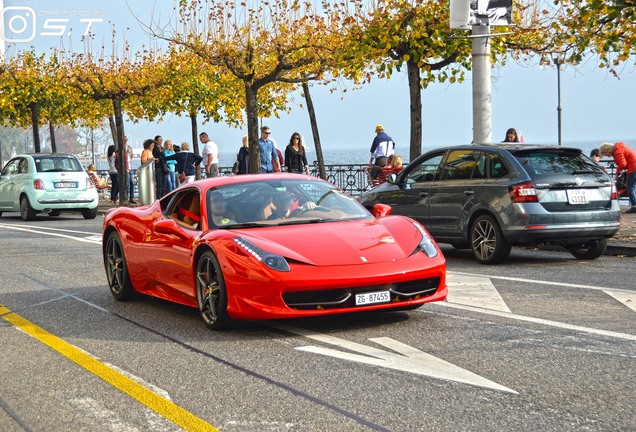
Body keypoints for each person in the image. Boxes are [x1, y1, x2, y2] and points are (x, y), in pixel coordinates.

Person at [600, 141, 636, 213]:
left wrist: (617, 171)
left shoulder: (617, 153)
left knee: (629, 187)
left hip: (633, 167)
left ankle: (634, 206)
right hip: (634, 166)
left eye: (606, 155)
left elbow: (623, 164)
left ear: (608, 151)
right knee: (633, 186)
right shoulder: (619, 148)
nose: (608, 156)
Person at [124, 137, 137, 204]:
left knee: (132, 183)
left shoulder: (129, 147)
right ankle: (126, 198)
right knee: (127, 184)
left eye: (126, 140)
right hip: (125, 168)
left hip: (130, 167)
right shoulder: (121, 148)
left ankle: (132, 198)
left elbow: (131, 156)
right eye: (125, 140)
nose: (126, 141)